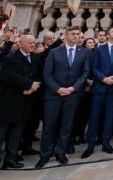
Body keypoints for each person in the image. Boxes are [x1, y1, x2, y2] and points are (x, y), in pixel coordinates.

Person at [0, 34, 42, 176]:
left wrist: (33, 87)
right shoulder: (10, 58)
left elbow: (37, 75)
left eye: (34, 42)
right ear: (21, 44)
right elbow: (8, 76)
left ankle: (10, 158)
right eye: (29, 42)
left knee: (17, 133)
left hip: (26, 100)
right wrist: (29, 84)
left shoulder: (35, 58)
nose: (32, 44)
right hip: (9, 100)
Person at [36, 26, 90, 169]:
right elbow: (47, 73)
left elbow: (85, 73)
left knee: (66, 125)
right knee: (49, 126)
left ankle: (61, 151)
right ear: (66, 36)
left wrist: (74, 88)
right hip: (54, 95)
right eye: (73, 34)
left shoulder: (84, 52)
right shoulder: (54, 52)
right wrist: (58, 88)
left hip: (73, 94)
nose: (76, 36)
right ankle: (45, 154)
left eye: (78, 34)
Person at [82, 27, 113, 158]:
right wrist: (103, 78)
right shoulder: (99, 49)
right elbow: (94, 68)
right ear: (107, 36)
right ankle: (90, 145)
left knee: (109, 116)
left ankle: (106, 142)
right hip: (99, 88)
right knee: (95, 117)